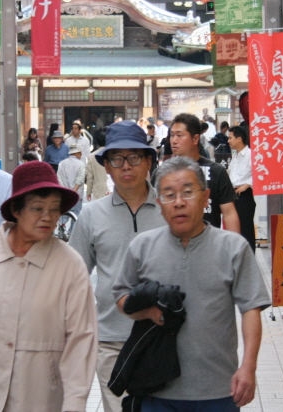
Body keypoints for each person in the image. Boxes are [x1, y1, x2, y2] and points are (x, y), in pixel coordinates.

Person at [113, 157, 271, 411]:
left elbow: (251, 308)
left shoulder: (233, 248)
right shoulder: (141, 247)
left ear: (206, 196)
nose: (178, 203)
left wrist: (248, 368)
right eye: (168, 195)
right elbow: (121, 295)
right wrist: (149, 312)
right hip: (156, 390)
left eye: (188, 192)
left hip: (219, 389)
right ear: (158, 202)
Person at [0, 161, 98, 412]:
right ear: (16, 209)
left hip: (39, 398)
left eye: (54, 209)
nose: (47, 217)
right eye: (37, 208)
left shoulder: (69, 264)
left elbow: (81, 340)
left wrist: (75, 404)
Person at [69, 121, 167, 412]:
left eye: (135, 157)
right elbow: (75, 279)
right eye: (116, 158)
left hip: (166, 337)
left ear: (149, 161)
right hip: (112, 341)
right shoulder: (91, 216)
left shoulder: (169, 211)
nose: (126, 166)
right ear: (106, 167)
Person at [153, 113, 241, 233]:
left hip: (209, 245)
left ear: (195, 139)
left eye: (179, 135)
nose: (174, 140)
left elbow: (229, 213)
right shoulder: (162, 173)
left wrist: (234, 246)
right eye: (172, 135)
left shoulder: (216, 171)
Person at [228, 126, 256, 252]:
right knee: (236, 230)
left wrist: (247, 185)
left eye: (230, 138)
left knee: (246, 230)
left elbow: (260, 173)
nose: (228, 141)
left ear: (239, 139)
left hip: (244, 196)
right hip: (234, 195)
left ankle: (250, 260)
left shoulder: (251, 155)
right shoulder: (235, 155)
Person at [58, 144, 86, 216]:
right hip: (77, 195)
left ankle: (62, 227)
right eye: (80, 152)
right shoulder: (81, 164)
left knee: (63, 215)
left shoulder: (62, 163)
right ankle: (73, 228)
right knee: (76, 215)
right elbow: (80, 179)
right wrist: (74, 190)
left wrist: (65, 190)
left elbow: (58, 177)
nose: (81, 154)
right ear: (76, 153)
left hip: (65, 195)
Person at [86, 128, 111, 201]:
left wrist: (88, 192)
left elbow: (89, 177)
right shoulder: (112, 155)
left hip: (98, 191)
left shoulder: (91, 156)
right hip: (111, 190)